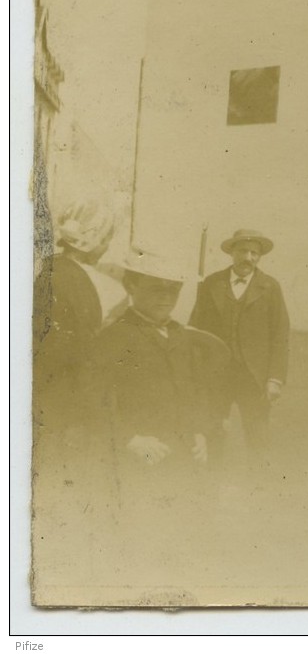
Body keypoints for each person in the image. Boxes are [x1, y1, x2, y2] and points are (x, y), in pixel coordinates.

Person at [87, 248, 231, 515]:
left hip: (185, 455)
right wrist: (130, 439)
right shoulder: (115, 337)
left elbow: (196, 391)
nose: (166, 297)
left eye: (173, 290)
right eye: (156, 288)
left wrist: (200, 431)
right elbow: (92, 399)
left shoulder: (182, 337)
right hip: (141, 458)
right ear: (132, 286)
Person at [189, 229, 290, 470]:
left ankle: (259, 496)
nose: (249, 257)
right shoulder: (212, 284)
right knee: (213, 433)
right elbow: (196, 330)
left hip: (254, 377)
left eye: (254, 253)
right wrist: (196, 373)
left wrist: (275, 378)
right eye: (243, 251)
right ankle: (209, 492)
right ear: (232, 253)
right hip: (217, 375)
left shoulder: (270, 287)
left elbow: (280, 335)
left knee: (258, 437)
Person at [32, 196, 125, 448]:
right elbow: (79, 347)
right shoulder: (74, 280)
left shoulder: (52, 268)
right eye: (105, 239)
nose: (106, 246)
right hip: (66, 398)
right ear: (91, 240)